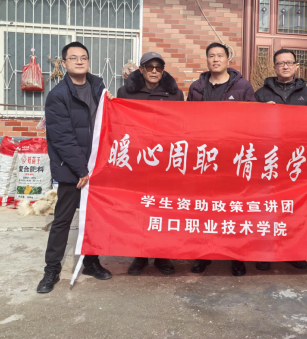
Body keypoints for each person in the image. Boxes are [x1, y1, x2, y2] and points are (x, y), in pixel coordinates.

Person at [37, 41, 114, 293]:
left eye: (84, 57)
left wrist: (113, 103)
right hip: (73, 169)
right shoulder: (58, 95)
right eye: (73, 58)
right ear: (64, 63)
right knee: (63, 220)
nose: (79, 61)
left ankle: (91, 262)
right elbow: (62, 137)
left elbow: (107, 122)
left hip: (96, 166)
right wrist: (81, 170)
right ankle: (51, 270)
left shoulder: (98, 87)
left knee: (93, 219)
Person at [187, 42, 256, 277]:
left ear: (228, 59)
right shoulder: (196, 87)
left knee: (234, 209)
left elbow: (253, 119)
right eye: (211, 56)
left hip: (234, 158)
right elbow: (187, 120)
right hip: (205, 158)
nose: (215, 59)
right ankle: (203, 254)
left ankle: (236, 256)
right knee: (205, 208)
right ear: (206, 60)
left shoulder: (243, 86)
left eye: (220, 55)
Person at [117, 51, 184, 275]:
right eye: (149, 67)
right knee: (140, 208)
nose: (154, 71)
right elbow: (119, 123)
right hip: (137, 161)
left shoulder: (175, 94)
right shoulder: (126, 93)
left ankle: (162, 255)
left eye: (158, 67)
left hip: (165, 161)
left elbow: (181, 126)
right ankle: (141, 255)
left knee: (162, 209)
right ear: (141, 70)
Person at [254, 48, 307, 272]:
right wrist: (261, 112)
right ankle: (265, 253)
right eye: (281, 63)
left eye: (289, 62)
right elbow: (251, 125)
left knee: (294, 209)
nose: (285, 66)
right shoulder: (261, 94)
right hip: (269, 161)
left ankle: (294, 252)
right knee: (268, 208)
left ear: (296, 66)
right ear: (274, 67)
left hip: (296, 162)